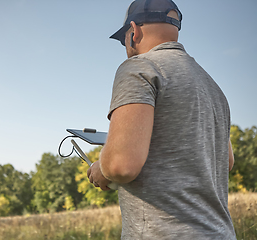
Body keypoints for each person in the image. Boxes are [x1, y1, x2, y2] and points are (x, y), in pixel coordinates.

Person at [87, 0, 237, 239]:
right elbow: (226, 161)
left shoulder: (138, 68)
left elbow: (120, 165)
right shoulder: (212, 86)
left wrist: (101, 169)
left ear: (133, 31)